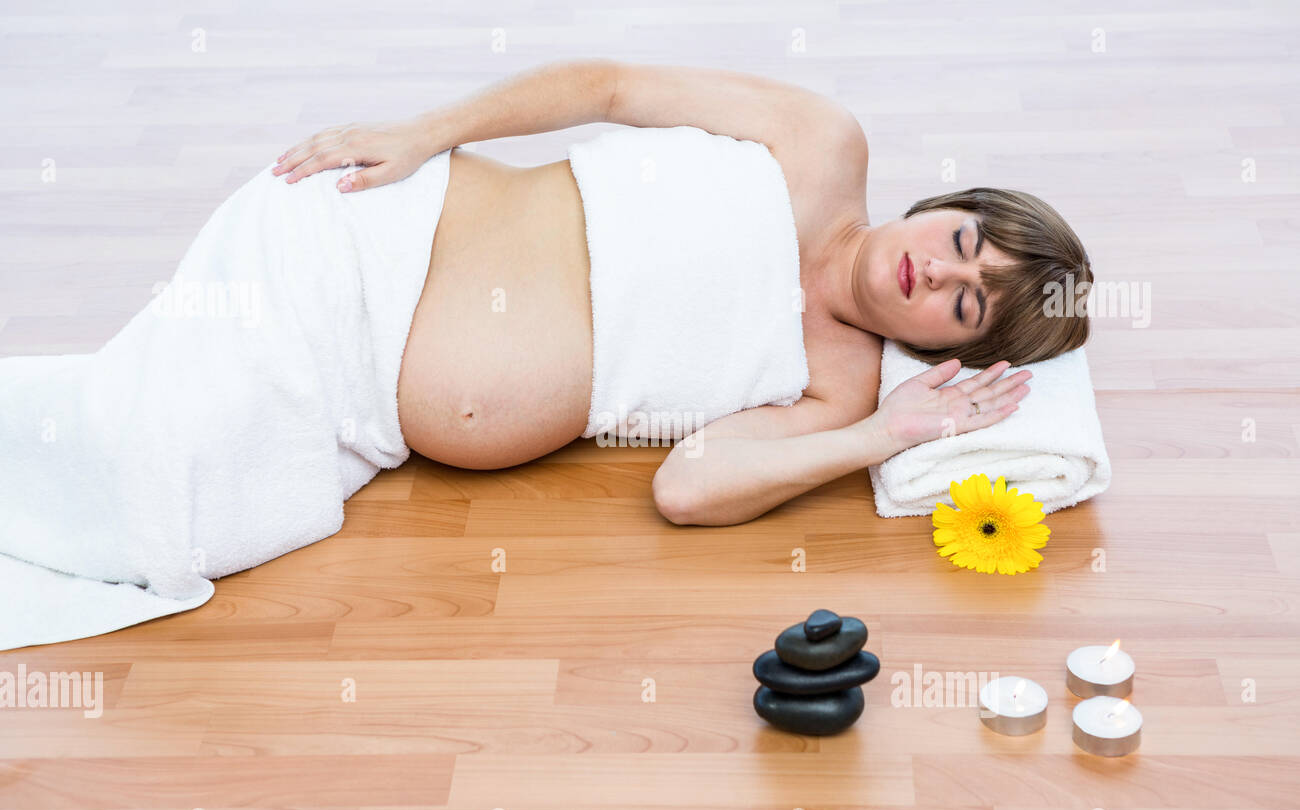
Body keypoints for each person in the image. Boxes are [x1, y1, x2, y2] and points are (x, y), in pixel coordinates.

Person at [273, 59, 1092, 526]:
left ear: (954, 348)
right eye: (961, 242)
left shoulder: (837, 388)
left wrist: (885, 434)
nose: (941, 271)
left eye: (964, 303)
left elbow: (687, 488)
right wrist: (424, 131)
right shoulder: (820, 143)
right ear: (945, 207)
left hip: (361, 402)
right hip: (379, 227)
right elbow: (610, 87)